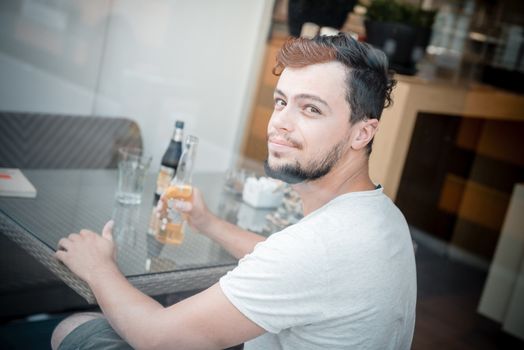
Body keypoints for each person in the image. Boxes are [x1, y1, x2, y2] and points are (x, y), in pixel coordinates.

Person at [51, 33, 416, 350]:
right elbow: (291, 264)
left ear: (362, 133)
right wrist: (207, 222)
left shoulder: (315, 250)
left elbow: (156, 338)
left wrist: (99, 267)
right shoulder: (381, 215)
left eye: (311, 109)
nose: (280, 123)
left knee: (73, 328)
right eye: (281, 101)